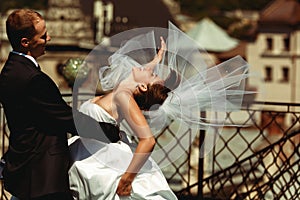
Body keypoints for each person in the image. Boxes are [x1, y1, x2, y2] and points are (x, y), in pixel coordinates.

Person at [0, 9, 120, 200]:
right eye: (43, 35)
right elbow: (67, 118)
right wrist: (109, 132)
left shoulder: (9, 71)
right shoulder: (34, 79)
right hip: (43, 174)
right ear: (26, 42)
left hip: (22, 167)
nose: (49, 37)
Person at [68, 36, 179, 199]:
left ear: (142, 86)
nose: (146, 68)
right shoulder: (122, 88)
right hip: (84, 151)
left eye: (152, 74)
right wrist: (157, 59)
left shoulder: (123, 96)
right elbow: (141, 75)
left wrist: (127, 179)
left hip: (96, 158)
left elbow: (148, 140)